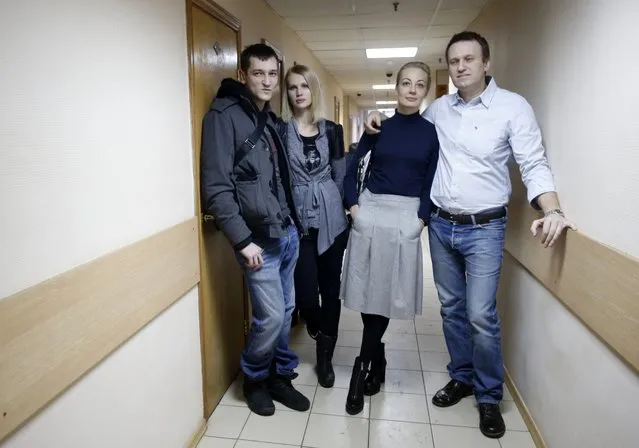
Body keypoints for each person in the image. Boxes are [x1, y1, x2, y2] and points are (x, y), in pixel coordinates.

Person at [364, 31, 577, 438]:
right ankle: (461, 376)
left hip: (486, 228)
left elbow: (533, 163)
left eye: (469, 59)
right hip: (441, 226)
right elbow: (405, 129)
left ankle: (488, 395)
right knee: (451, 309)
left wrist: (552, 209)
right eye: (454, 61)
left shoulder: (513, 108)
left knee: (481, 315)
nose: (460, 67)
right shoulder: (437, 110)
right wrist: (378, 121)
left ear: (486, 64)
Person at [200, 43, 310, 417]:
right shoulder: (223, 116)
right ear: (243, 75)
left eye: (272, 74)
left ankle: (280, 376)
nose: (267, 81)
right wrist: (242, 240)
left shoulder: (269, 118)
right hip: (256, 240)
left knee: (288, 309)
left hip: (286, 232)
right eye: (258, 73)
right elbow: (216, 187)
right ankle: (254, 378)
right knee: (273, 316)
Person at [341, 61, 440, 415]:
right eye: (406, 83)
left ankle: (362, 366)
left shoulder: (431, 133)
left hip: (405, 217)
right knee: (371, 291)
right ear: (396, 88)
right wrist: (354, 209)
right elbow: (351, 170)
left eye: (419, 84)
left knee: (385, 293)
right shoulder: (379, 126)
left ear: (426, 90)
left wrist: (421, 220)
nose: (412, 90)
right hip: (371, 212)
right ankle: (373, 362)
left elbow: (431, 182)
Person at [277, 64, 349, 388]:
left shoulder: (332, 130)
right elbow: (280, 178)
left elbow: (340, 175)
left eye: (304, 86)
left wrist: (344, 210)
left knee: (330, 290)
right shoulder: (279, 132)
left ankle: (324, 358)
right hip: (299, 222)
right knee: (306, 296)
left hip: (332, 220)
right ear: (287, 92)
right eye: (292, 87)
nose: (298, 92)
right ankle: (318, 327)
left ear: (313, 90)